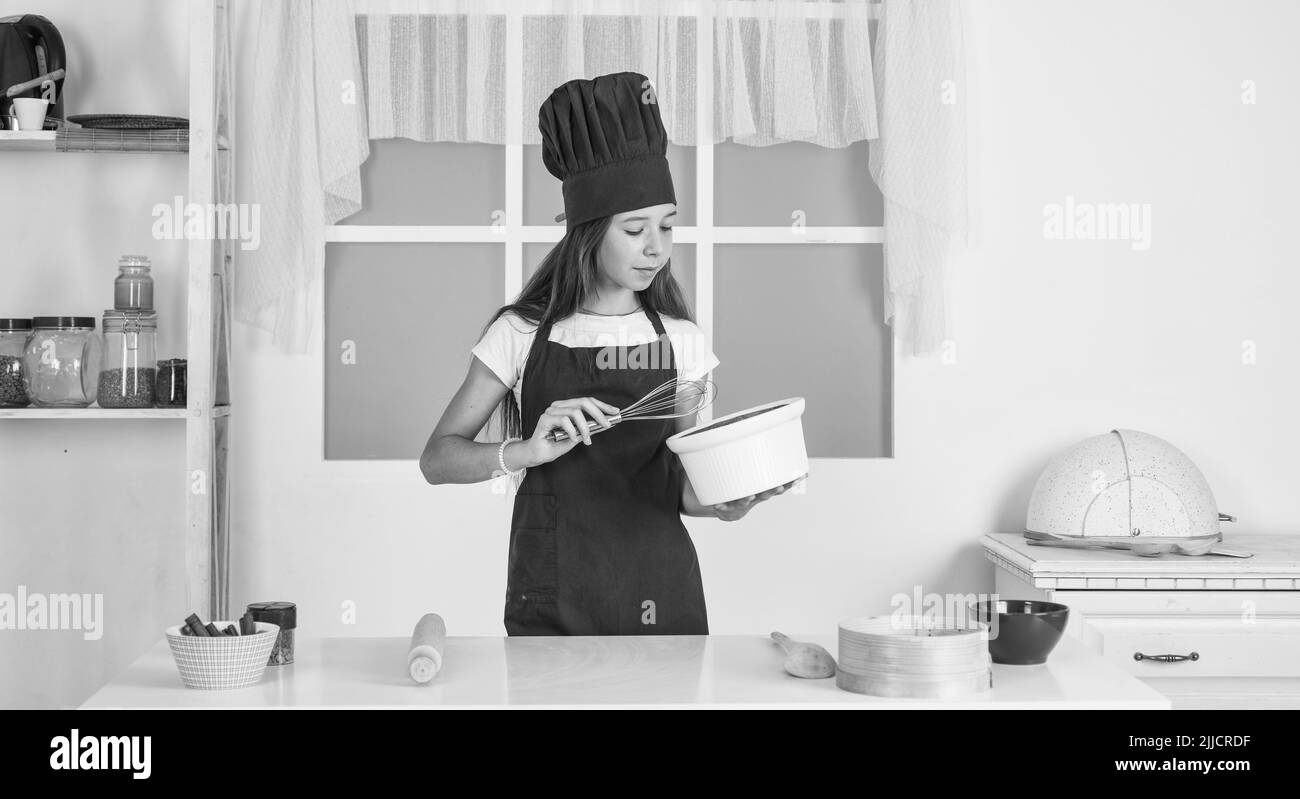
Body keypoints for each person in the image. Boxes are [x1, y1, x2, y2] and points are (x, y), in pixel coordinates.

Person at [421, 72, 797, 636]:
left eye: (667, 227)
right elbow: (437, 461)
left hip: (659, 588)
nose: (657, 248)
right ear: (588, 230)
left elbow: (681, 487)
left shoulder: (683, 341)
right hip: (552, 589)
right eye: (635, 229)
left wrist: (726, 503)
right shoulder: (520, 334)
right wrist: (526, 451)